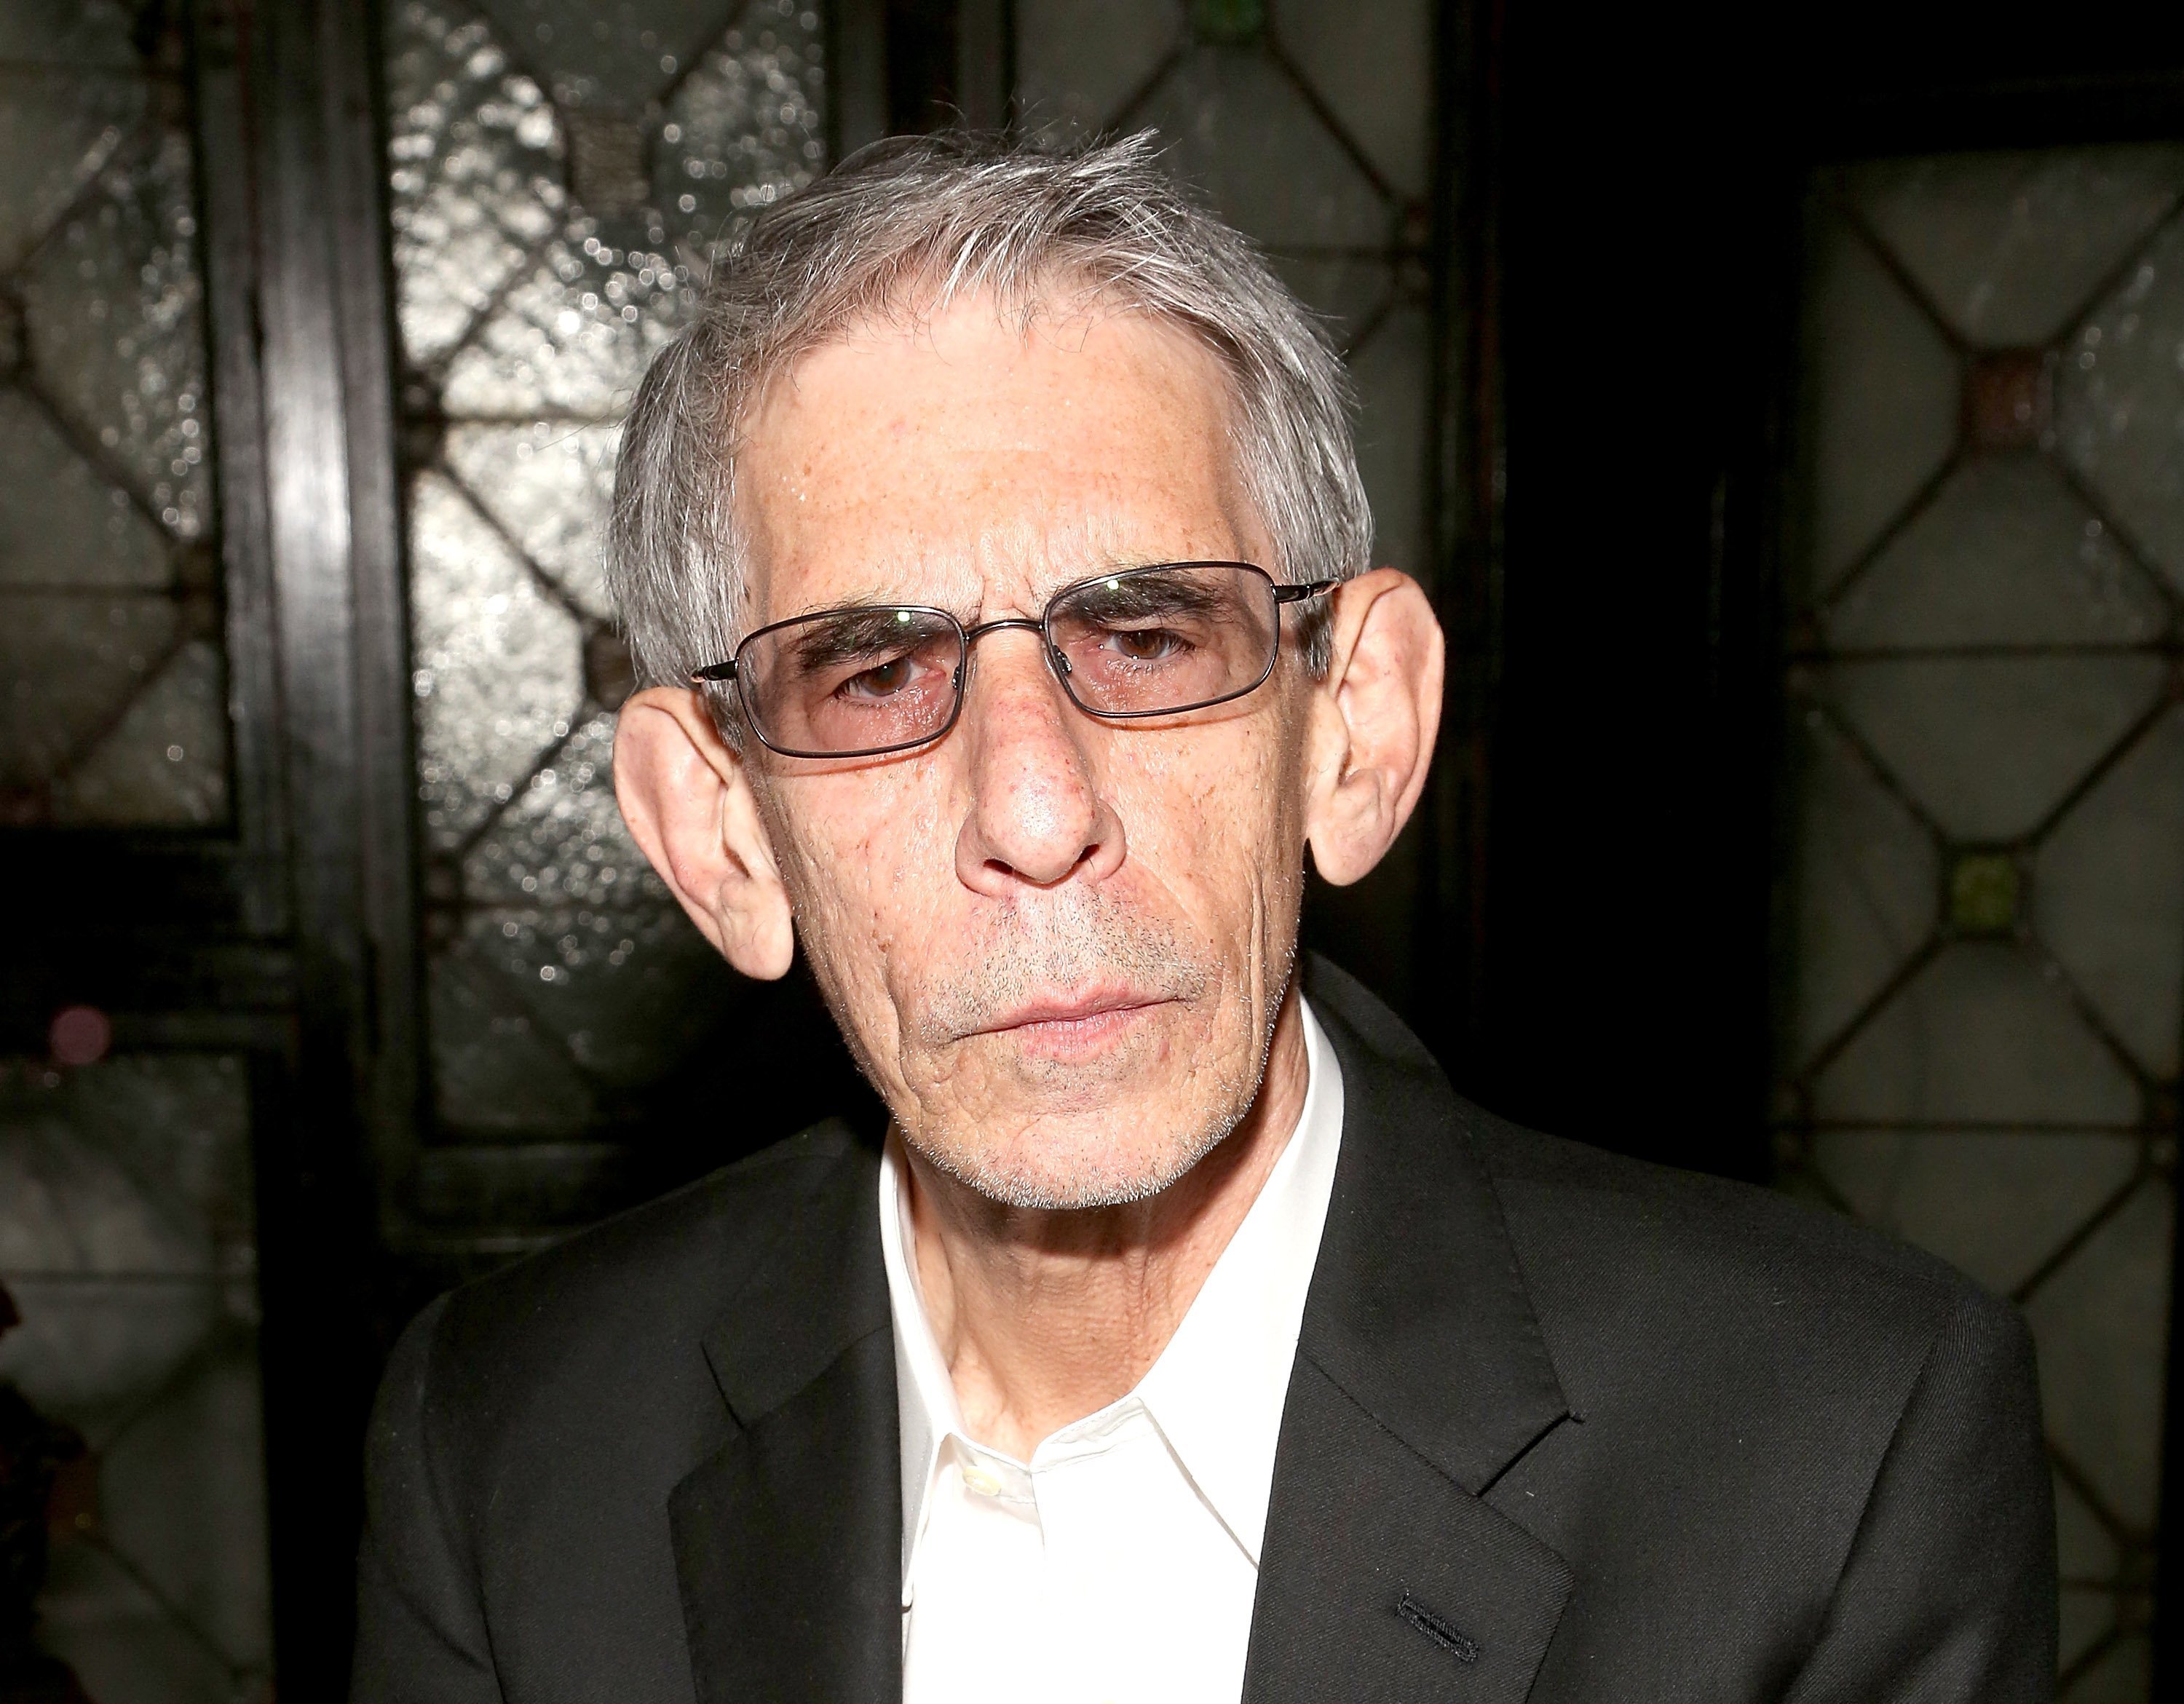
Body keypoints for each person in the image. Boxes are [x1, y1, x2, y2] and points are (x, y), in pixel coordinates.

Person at [351, 132, 2054, 1704]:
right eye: (875, 677)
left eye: (1148, 640)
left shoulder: (1838, 1451)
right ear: (720, 832)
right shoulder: (505, 1446)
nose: (1034, 812)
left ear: (1355, 729)